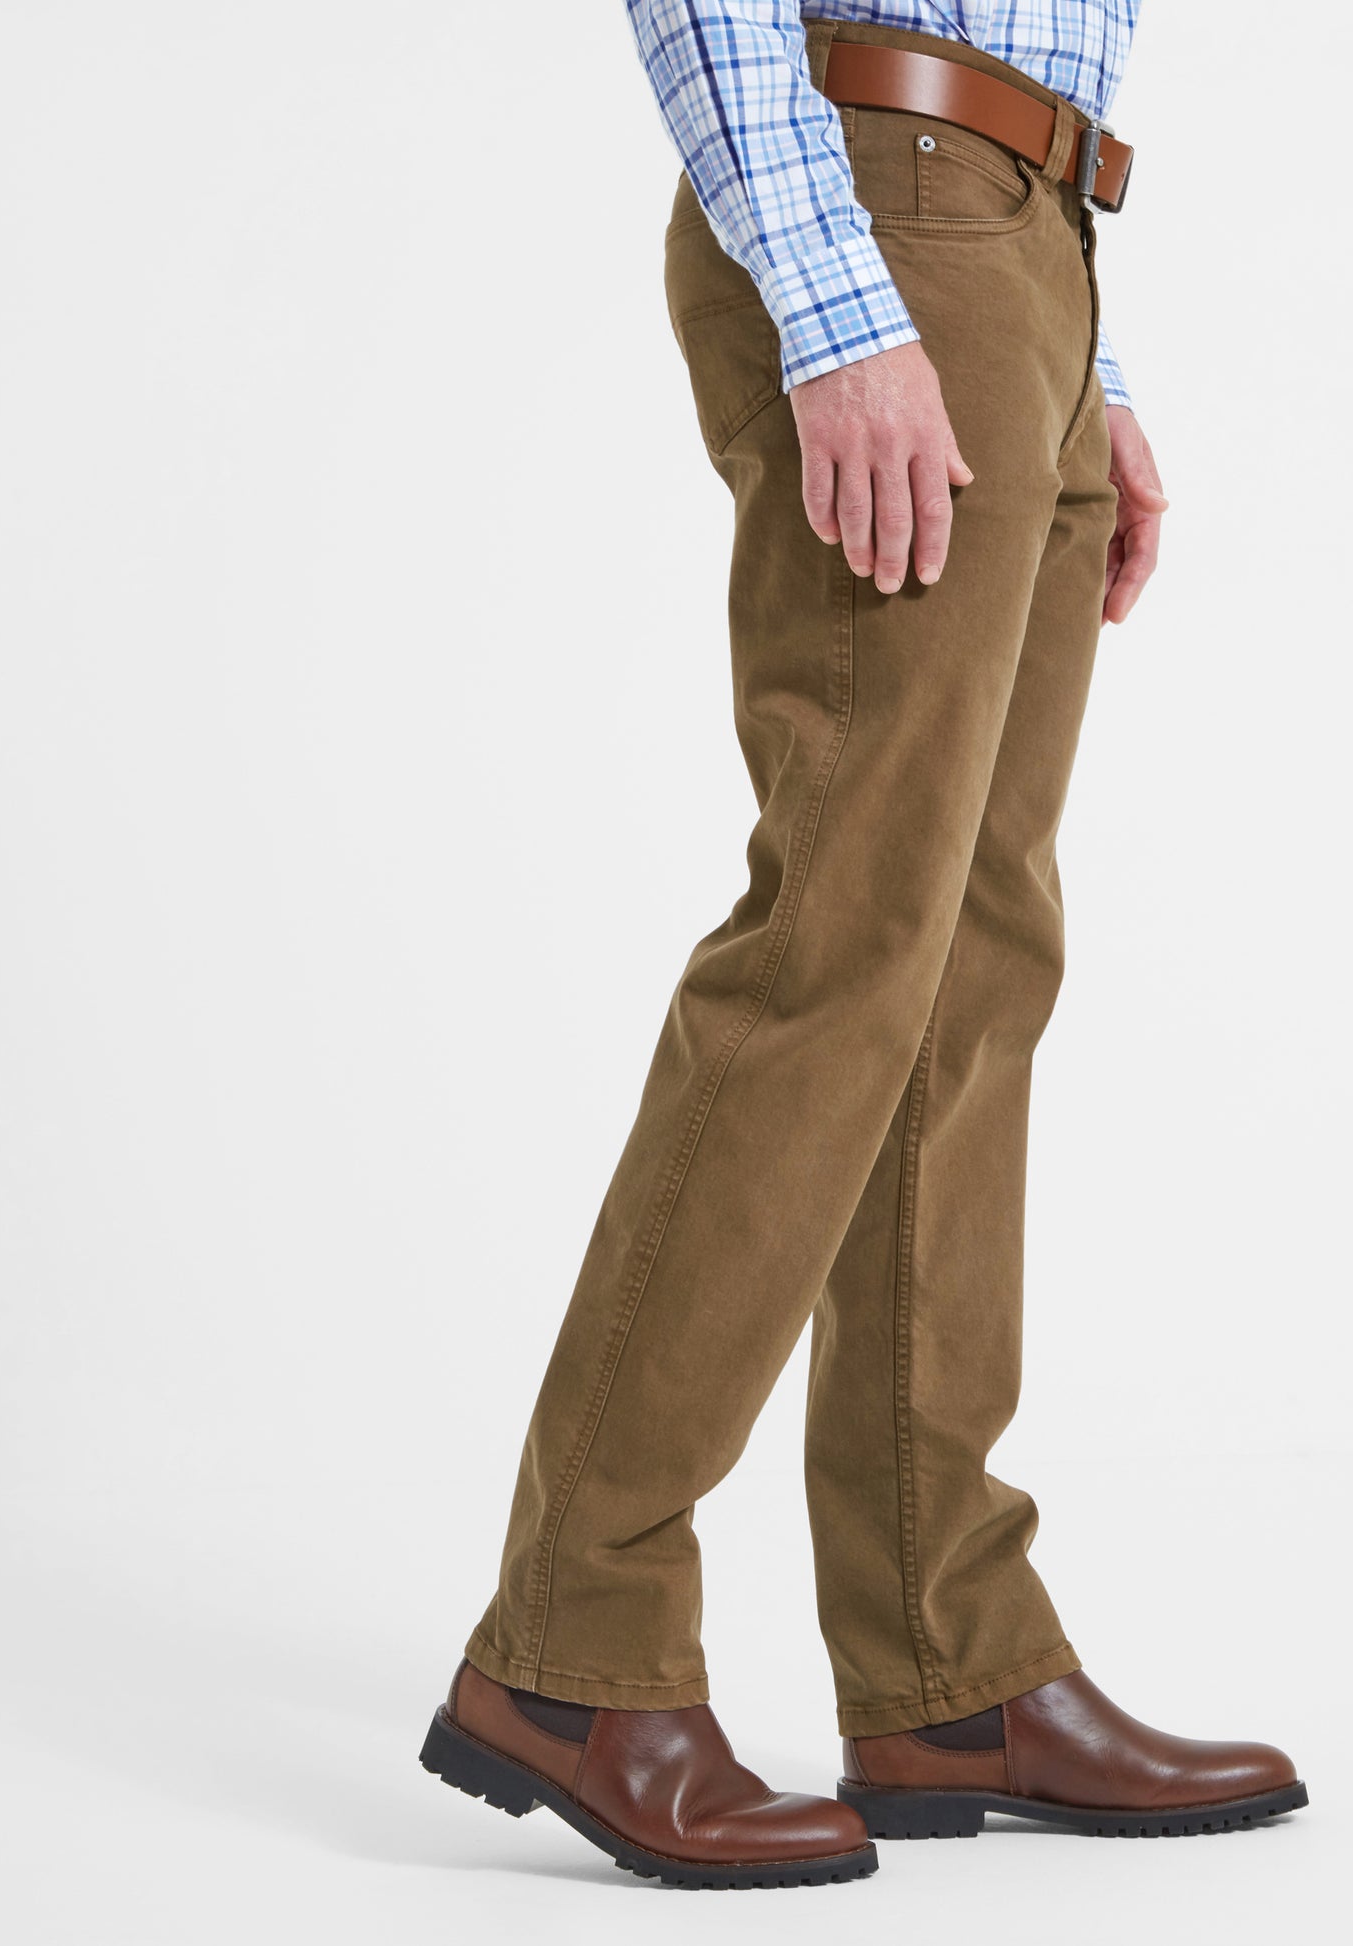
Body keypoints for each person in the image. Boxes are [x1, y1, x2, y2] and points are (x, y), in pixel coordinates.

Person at [419, 2, 1305, 1888]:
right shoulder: (859, 249)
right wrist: (834, 300)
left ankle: (945, 1661)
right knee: (841, 936)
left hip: (1026, 234)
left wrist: (1085, 359)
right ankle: (574, 1642)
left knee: (976, 960)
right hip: (885, 207)